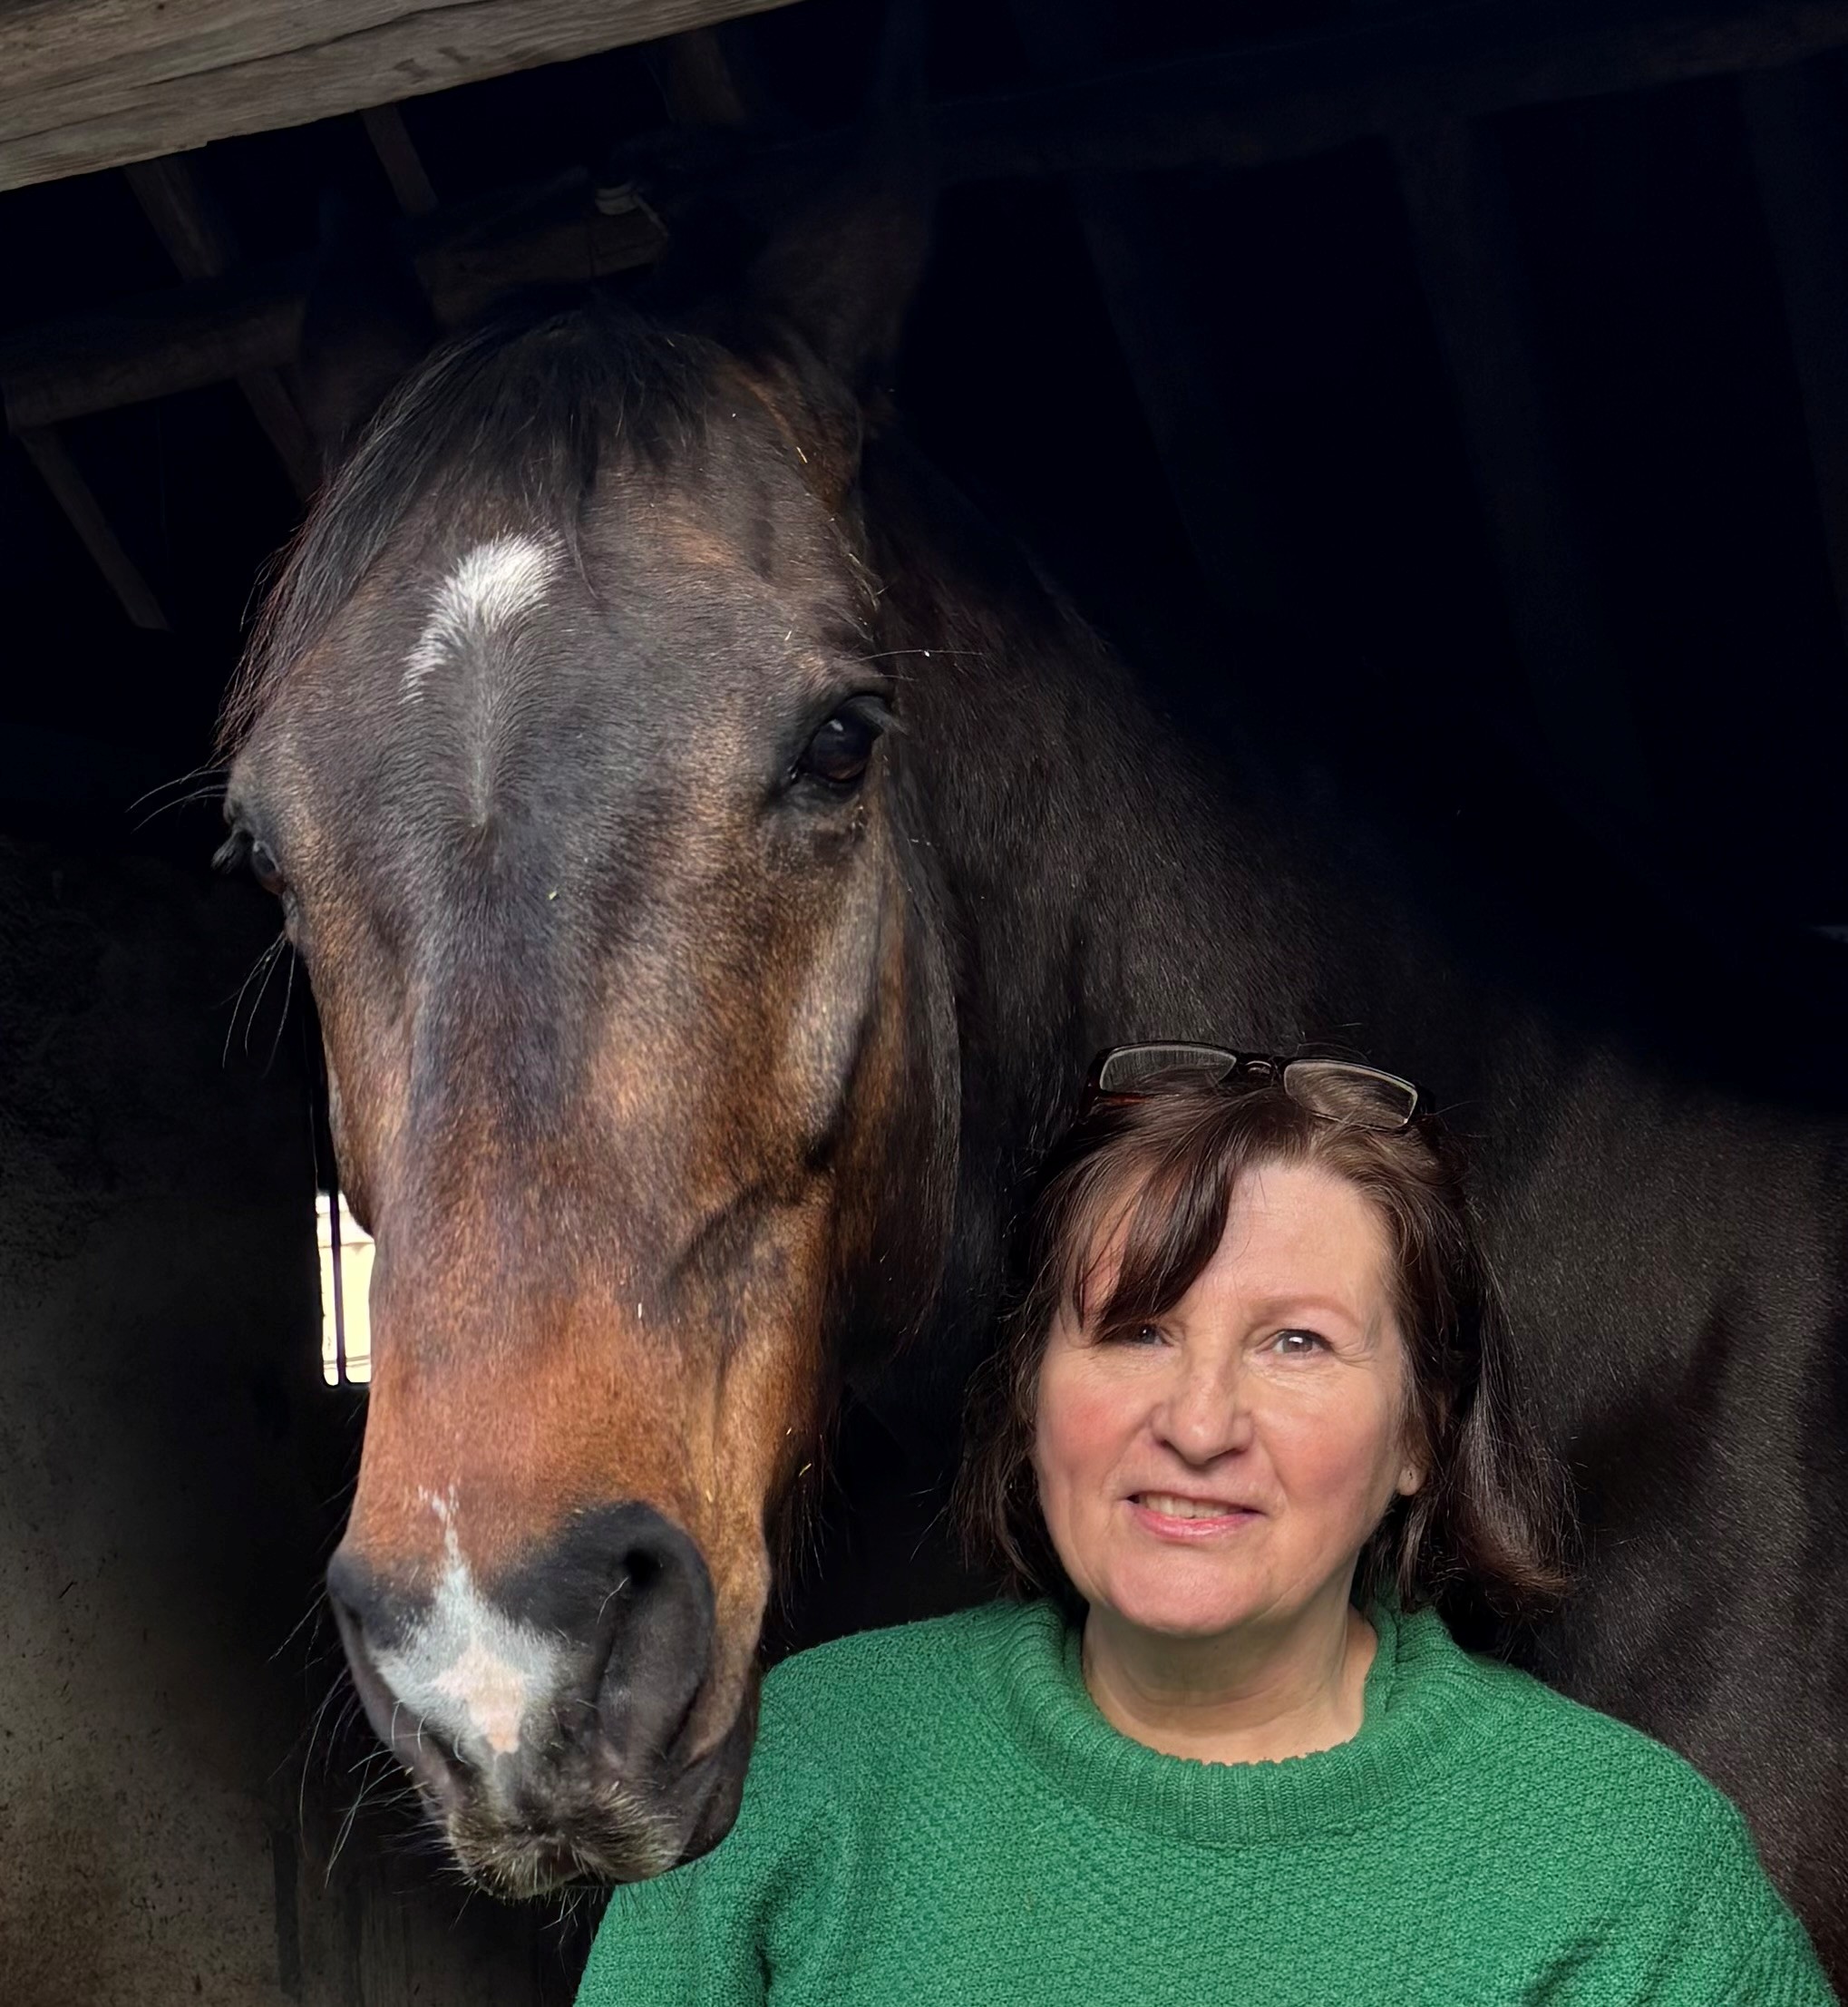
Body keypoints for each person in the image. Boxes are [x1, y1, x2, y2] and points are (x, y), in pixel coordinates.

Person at [577, 1045, 1835, 2004]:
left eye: (1295, 1342)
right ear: (1030, 1390)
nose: (1197, 1419)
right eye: (1135, 1329)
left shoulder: (1628, 1872)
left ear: (1417, 1434)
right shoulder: (783, 1776)